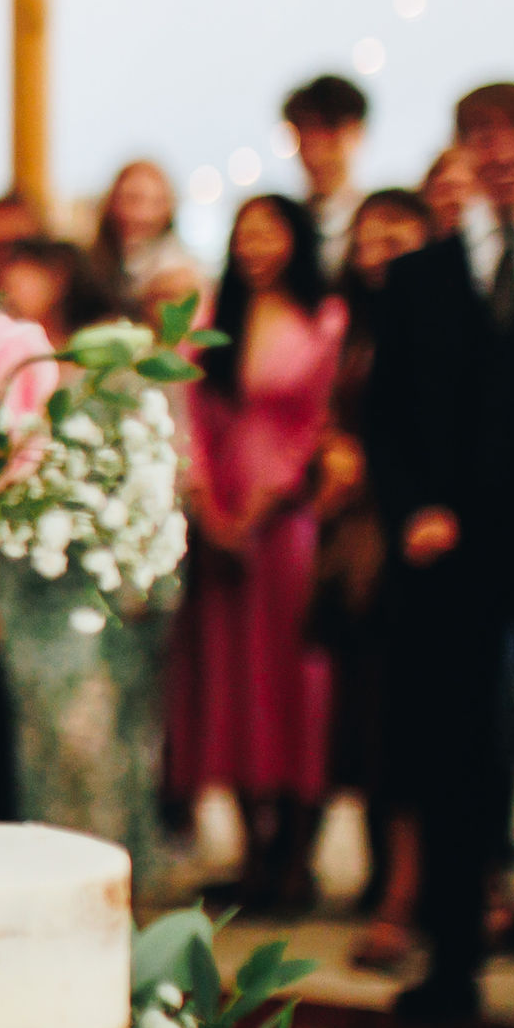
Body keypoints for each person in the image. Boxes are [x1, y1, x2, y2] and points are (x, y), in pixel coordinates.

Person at [365, 81, 514, 1022]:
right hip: (450, 552)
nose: (499, 150)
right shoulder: (419, 278)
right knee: (455, 754)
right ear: (463, 154)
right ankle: (451, 962)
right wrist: (412, 510)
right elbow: (383, 418)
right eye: (480, 136)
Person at [170, 195, 345, 911]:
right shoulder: (215, 317)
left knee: (297, 686)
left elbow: (321, 420)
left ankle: (295, 857)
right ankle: (248, 855)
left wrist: (268, 503)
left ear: (296, 240)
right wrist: (209, 507)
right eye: (245, 234)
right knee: (231, 687)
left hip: (291, 525)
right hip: (221, 528)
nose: (255, 246)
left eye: (269, 233)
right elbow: (194, 415)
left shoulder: (325, 318)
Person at [0, 242, 177, 902]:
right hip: (25, 582)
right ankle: (50, 888)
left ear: (61, 275)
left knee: (97, 740)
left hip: (97, 582)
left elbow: (153, 466)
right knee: (37, 740)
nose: (10, 282)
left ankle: (112, 889)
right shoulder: (7, 368)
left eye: (24, 269)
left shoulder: (111, 364)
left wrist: (139, 578)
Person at [317, 188, 435, 966]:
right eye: (370, 237)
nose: (382, 248)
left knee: (431, 722)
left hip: (428, 535)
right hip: (363, 540)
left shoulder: (445, 319)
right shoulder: (355, 327)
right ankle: (387, 880)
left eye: (399, 233)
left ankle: (420, 889)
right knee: (373, 719)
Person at [288, 73, 371, 278]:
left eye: (329, 138)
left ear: (357, 133)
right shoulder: (286, 225)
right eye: (306, 139)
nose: (316, 155)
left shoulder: (374, 219)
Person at [97, 157, 201, 312]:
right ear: (112, 201)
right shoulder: (96, 262)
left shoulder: (176, 271)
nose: (142, 214)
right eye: (133, 199)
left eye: (156, 203)